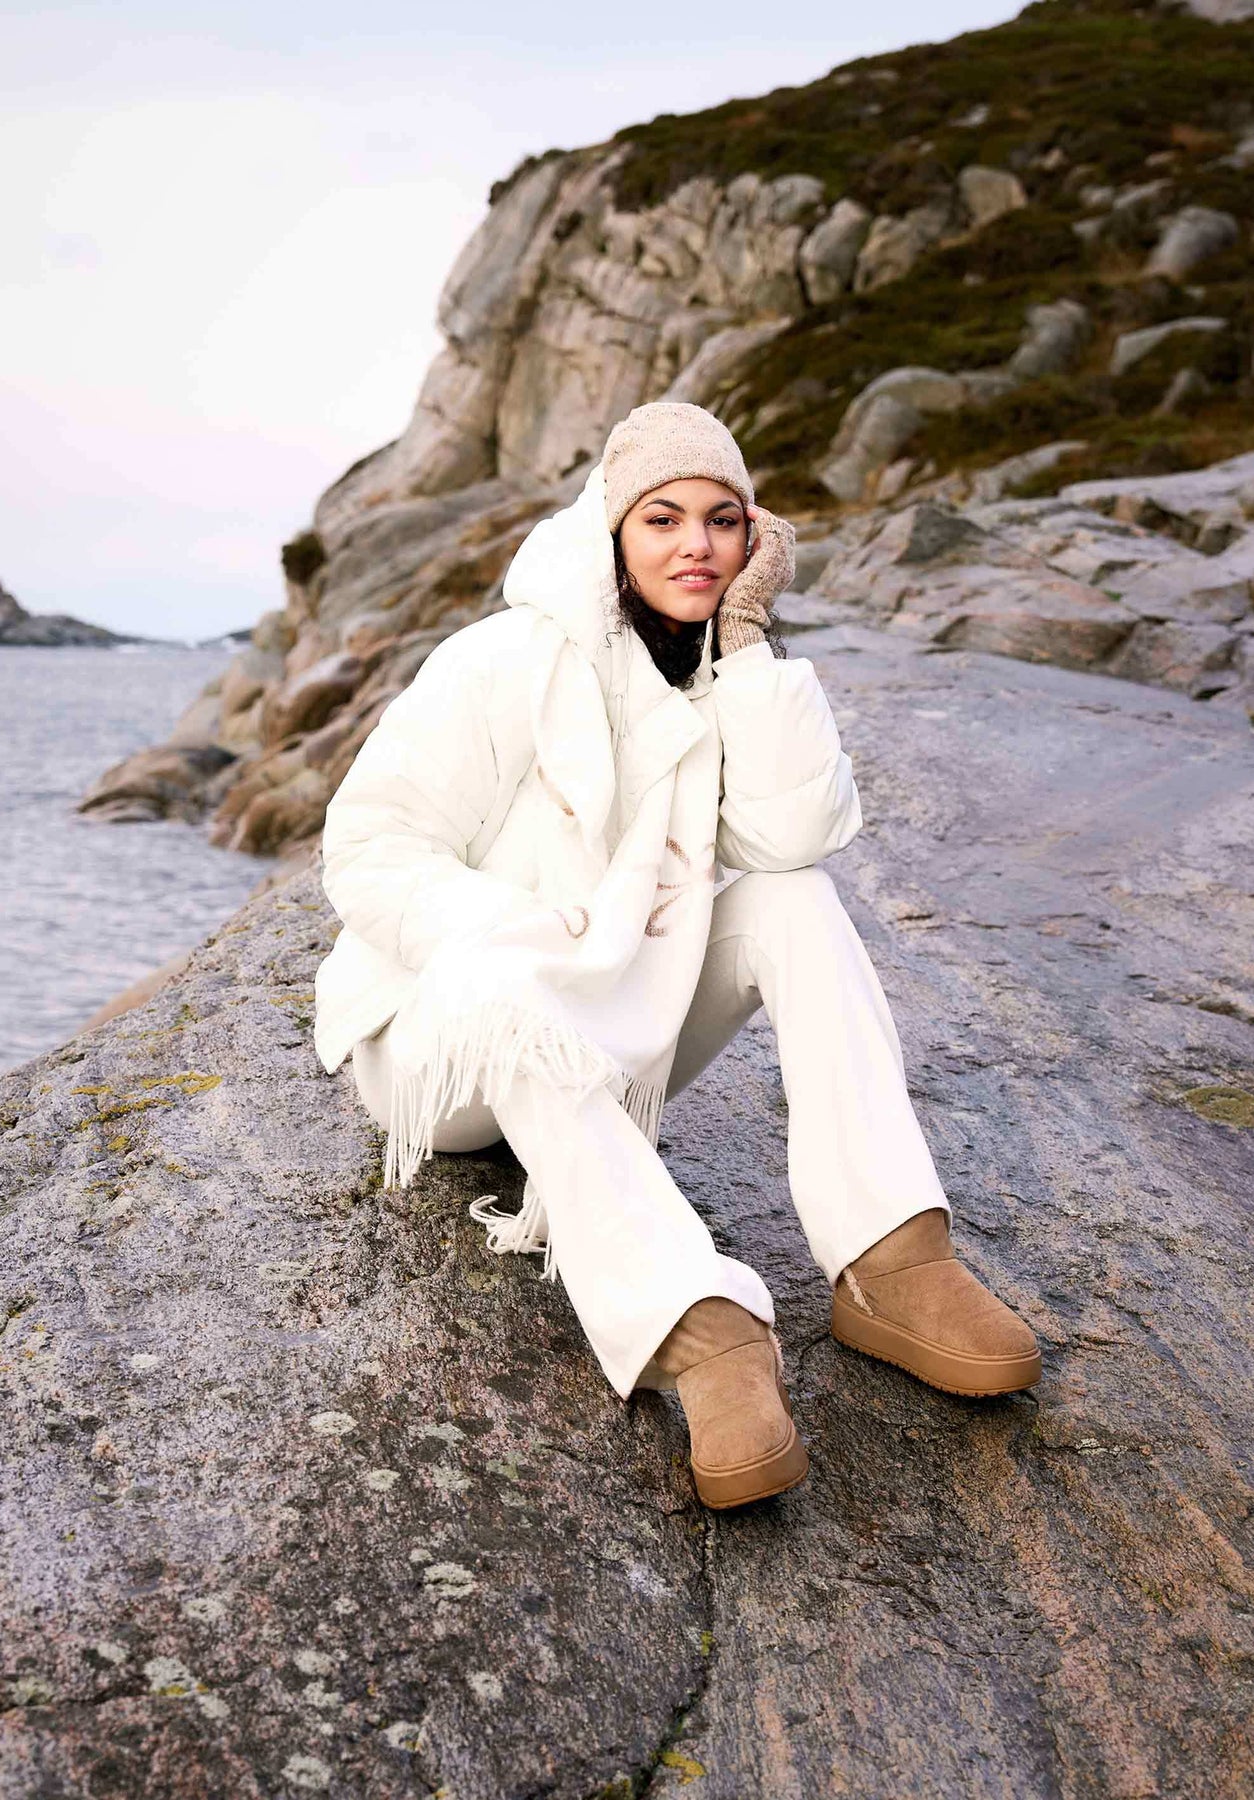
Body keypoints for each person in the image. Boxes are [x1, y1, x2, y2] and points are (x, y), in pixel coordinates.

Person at [313, 400, 1041, 1511]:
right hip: (446, 1045)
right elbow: (370, 845)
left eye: (723, 520)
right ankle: (700, 1329)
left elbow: (791, 838)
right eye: (662, 519)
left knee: (794, 901)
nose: (696, 545)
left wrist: (747, 643)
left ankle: (891, 1259)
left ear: (753, 539)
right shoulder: (504, 657)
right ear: (612, 530)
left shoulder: (718, 669)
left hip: (617, 1008)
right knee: (516, 994)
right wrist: (530, 942)